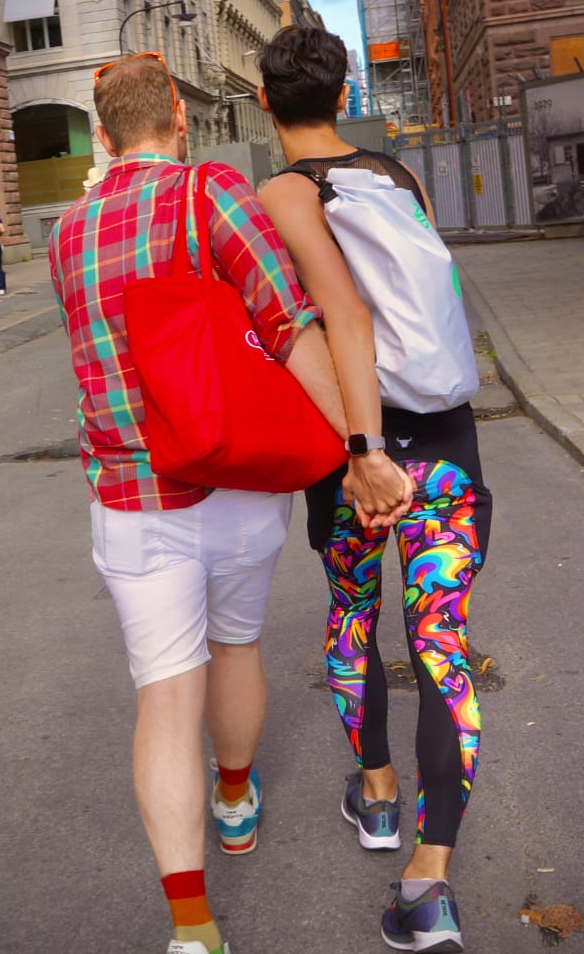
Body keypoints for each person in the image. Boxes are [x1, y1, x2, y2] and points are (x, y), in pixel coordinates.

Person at [48, 51, 403, 954]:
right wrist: (359, 454)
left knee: (165, 697)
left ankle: (192, 927)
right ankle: (236, 795)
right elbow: (289, 325)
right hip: (238, 482)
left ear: (101, 133)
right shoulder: (212, 193)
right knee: (235, 644)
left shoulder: (67, 230)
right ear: (178, 113)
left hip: (131, 497)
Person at [257, 26, 492, 954]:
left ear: (266, 102)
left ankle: (381, 795)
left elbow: (341, 314)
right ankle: (429, 880)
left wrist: (362, 451)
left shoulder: (282, 192)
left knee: (354, 611)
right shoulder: (399, 178)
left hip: (353, 449)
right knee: (440, 638)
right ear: (344, 87)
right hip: (446, 443)